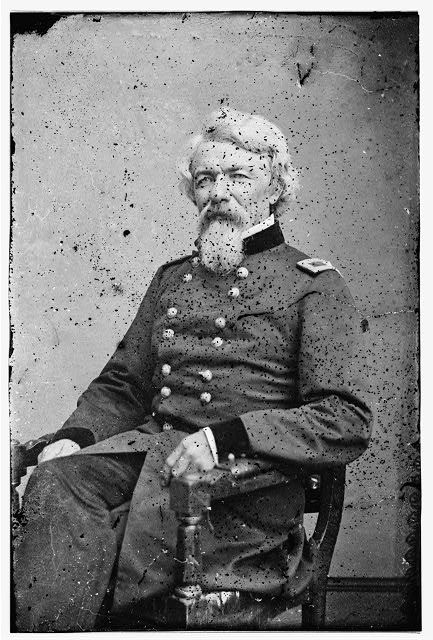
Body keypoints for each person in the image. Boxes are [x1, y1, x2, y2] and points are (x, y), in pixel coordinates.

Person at [13, 107, 373, 631]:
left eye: (238, 176)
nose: (219, 192)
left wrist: (226, 437)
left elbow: (345, 418)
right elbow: (124, 383)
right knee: (55, 484)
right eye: (206, 179)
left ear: (275, 187)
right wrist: (76, 435)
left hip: (240, 492)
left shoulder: (313, 285)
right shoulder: (172, 279)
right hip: (154, 461)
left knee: (91, 543)